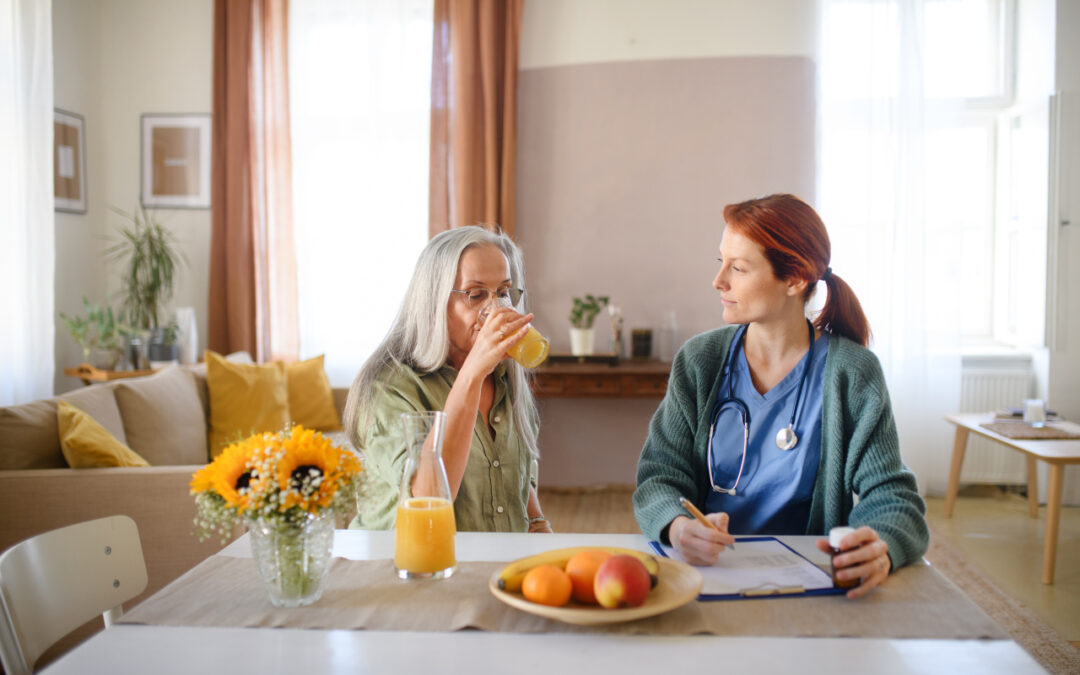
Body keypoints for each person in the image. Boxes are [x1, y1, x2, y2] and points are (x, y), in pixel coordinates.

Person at [633, 194, 928, 598]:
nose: (718, 281)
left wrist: (882, 544)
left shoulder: (852, 372)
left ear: (794, 280)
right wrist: (678, 527)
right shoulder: (700, 361)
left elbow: (892, 495)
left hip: (809, 583)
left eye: (738, 268)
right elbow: (659, 477)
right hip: (708, 574)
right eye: (720, 262)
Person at [344, 225, 552, 533]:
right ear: (434, 302)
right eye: (476, 295)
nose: (496, 309)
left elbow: (515, 476)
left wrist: (537, 523)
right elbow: (429, 501)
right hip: (405, 560)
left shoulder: (502, 376)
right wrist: (472, 374)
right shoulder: (389, 388)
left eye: (503, 292)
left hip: (493, 562)